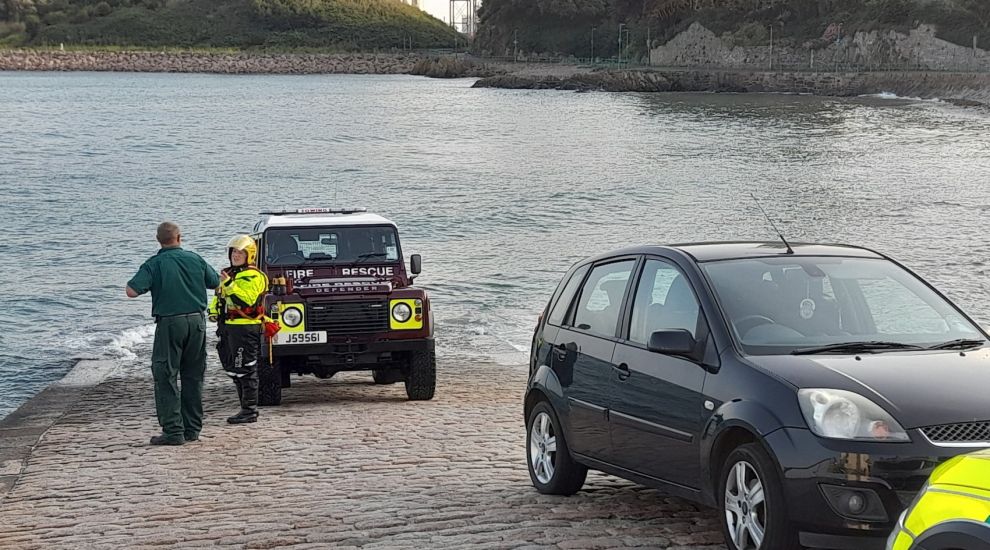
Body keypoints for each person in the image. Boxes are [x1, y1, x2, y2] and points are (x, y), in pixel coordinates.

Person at [126, 222, 220, 445]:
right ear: (180, 237)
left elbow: (131, 291)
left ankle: (173, 430)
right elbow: (216, 282)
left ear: (158, 239)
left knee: (166, 374)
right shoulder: (195, 259)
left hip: (170, 323)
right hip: (197, 321)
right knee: (193, 374)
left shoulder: (154, 264)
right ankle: (192, 428)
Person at [208, 235, 269, 424]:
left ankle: (249, 410)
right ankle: (244, 406)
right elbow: (219, 296)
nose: (236, 255)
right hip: (228, 328)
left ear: (249, 255)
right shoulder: (229, 274)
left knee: (246, 368)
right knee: (232, 367)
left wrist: (229, 284)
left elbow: (247, 299)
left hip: (245, 327)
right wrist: (212, 311)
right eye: (234, 252)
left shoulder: (254, 276)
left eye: (240, 252)